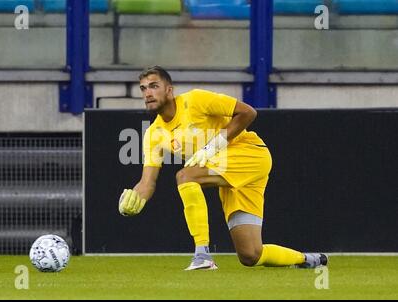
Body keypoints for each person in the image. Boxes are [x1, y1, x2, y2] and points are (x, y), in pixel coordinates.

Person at [118, 65, 328, 270]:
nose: (148, 93)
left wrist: (211, 148)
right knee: (250, 254)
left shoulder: (195, 100)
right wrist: (135, 200)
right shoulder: (153, 134)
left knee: (185, 176)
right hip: (227, 173)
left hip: (249, 154)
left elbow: (248, 113)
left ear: (169, 90)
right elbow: (147, 182)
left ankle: (202, 255)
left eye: (154, 86)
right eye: (143, 89)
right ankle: (308, 259)